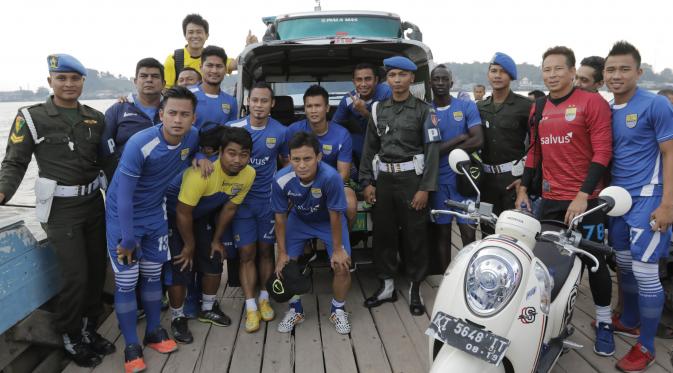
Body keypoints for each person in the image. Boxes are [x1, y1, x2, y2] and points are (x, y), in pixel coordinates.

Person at [0, 54, 115, 367]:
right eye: (61, 78)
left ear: (82, 82)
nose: (68, 84)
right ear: (50, 81)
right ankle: (71, 336)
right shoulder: (31, 117)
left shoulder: (96, 117)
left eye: (74, 79)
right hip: (60, 210)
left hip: (93, 204)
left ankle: (91, 329)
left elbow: (106, 163)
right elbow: (14, 161)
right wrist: (3, 191)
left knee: (94, 271)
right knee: (75, 276)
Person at [515, 46, 614, 357]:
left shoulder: (592, 102)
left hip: (589, 200)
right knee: (549, 263)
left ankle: (604, 322)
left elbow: (602, 152)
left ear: (573, 72)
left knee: (593, 262)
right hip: (551, 198)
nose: (552, 75)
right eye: (547, 69)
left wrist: (583, 195)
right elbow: (535, 152)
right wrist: (523, 190)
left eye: (559, 69)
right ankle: (552, 323)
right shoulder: (540, 106)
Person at [105, 86, 199, 372]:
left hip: (154, 214)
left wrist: (202, 158)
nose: (177, 120)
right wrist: (128, 236)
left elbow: (194, 151)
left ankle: (155, 331)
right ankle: (132, 345)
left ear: (193, 118)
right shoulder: (140, 143)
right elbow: (122, 195)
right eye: (172, 113)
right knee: (126, 280)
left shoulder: (192, 138)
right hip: (124, 216)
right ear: (161, 114)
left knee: (152, 274)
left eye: (185, 114)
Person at [604, 41, 673, 372]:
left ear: (639, 72)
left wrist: (667, 205)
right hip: (618, 200)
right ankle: (630, 319)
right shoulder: (607, 108)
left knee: (646, 274)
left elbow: (670, 154)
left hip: (649, 199)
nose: (616, 75)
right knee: (625, 264)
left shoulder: (655, 104)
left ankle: (646, 347)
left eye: (624, 69)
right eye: (611, 69)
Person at [359, 56, 440, 315]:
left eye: (402, 75)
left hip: (411, 181)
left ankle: (416, 287)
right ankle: (387, 285)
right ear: (387, 79)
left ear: (411, 79)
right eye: (392, 75)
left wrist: (425, 188)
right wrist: (367, 183)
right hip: (384, 180)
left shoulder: (424, 110)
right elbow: (369, 148)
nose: (396, 80)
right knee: (383, 234)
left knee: (415, 235)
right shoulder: (377, 109)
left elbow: (432, 152)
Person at [165, 127, 255, 343]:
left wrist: (216, 239)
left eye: (244, 154)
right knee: (181, 265)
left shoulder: (249, 173)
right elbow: (183, 212)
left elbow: (230, 209)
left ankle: (207, 307)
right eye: (231, 153)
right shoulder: (203, 173)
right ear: (220, 152)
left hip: (200, 215)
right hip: (174, 215)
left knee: (214, 257)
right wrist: (189, 246)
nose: (237, 160)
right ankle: (177, 318)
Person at [272, 132, 352, 334]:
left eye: (307, 158)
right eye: (296, 159)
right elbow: (280, 218)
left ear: (318, 157)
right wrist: (281, 253)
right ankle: (295, 310)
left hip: (328, 220)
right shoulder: (281, 179)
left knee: (341, 265)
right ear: (289, 159)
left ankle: (338, 309)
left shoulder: (331, 177)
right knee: (286, 266)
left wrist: (337, 249)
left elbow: (336, 215)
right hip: (299, 220)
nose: (301, 165)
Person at [228, 82, 290, 333]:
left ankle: (264, 299)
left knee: (266, 252)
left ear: (272, 104)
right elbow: (218, 158)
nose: (259, 105)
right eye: (255, 100)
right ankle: (250, 306)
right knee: (245, 254)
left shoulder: (281, 131)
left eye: (264, 101)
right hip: (240, 203)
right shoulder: (233, 128)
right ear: (247, 102)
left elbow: (286, 164)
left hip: (268, 203)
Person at [429, 65, 483, 270]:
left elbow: (478, 140)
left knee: (469, 233)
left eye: (445, 79)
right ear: (431, 83)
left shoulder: (466, 106)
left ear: (451, 83)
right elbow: (430, 153)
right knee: (442, 234)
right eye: (436, 79)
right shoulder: (427, 110)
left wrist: (445, 148)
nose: (441, 83)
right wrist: (460, 138)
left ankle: (470, 278)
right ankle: (446, 280)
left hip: (465, 181)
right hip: (439, 182)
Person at [286, 85, 357, 226]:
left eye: (317, 105)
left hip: (334, 183)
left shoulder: (342, 134)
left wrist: (320, 190)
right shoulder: (292, 130)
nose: (313, 110)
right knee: (286, 205)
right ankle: (303, 244)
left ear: (327, 108)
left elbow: (343, 174)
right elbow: (288, 165)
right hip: (300, 182)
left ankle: (342, 241)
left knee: (350, 204)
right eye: (309, 106)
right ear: (304, 109)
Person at [477, 53, 532, 225]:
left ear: (511, 76)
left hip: (513, 180)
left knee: (512, 229)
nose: (497, 75)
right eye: (493, 71)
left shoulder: (526, 106)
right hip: (485, 182)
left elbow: (536, 146)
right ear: (488, 75)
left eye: (503, 72)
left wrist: (525, 181)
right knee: (487, 227)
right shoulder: (479, 107)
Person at [101, 57, 164, 175]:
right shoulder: (117, 110)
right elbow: (105, 149)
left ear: (163, 83)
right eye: (143, 76)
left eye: (155, 76)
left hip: (163, 183)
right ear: (135, 81)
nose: (149, 80)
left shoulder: (173, 110)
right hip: (127, 179)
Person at [332, 63, 392, 164]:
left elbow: (387, 128)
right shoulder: (348, 99)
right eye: (359, 80)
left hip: (387, 142)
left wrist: (363, 111)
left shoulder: (386, 93)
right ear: (354, 82)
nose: (363, 84)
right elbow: (334, 127)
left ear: (376, 80)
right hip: (362, 141)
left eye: (368, 79)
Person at [189, 45, 238, 129]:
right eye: (210, 65)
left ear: (225, 69)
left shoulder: (231, 102)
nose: (214, 71)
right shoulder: (187, 94)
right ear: (201, 67)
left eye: (219, 66)